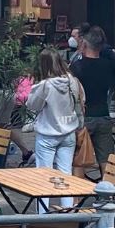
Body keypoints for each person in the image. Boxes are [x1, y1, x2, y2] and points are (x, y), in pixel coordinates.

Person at [26, 48, 84, 213]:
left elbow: (32, 105)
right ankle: (68, 211)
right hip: (69, 133)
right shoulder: (73, 81)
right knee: (65, 174)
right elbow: (82, 100)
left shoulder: (45, 85)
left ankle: (43, 215)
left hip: (48, 134)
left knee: (43, 175)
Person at [70, 27, 115, 173]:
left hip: (84, 117)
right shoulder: (108, 66)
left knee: (80, 159)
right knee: (106, 158)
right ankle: (107, 194)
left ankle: (77, 195)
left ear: (84, 44)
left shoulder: (77, 67)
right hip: (104, 115)